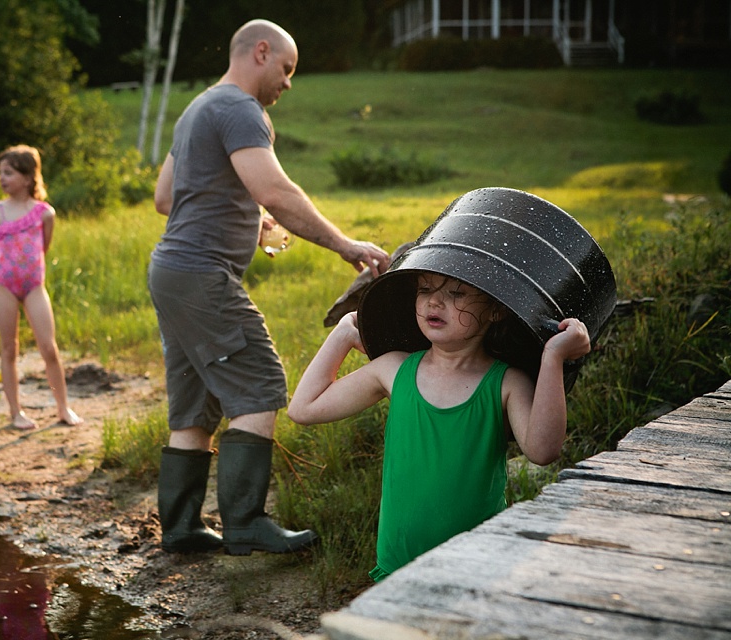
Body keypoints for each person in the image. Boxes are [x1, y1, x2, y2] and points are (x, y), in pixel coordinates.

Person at [148, 19, 391, 556]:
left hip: (169, 271)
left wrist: (242, 211)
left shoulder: (197, 108)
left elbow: (166, 196)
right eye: (286, 69)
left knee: (194, 407)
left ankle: (183, 528)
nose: (288, 83)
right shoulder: (239, 109)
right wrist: (346, 245)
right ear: (261, 52)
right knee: (259, 382)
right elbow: (276, 190)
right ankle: (244, 523)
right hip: (200, 272)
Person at [287, 271, 591, 581]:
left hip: (475, 562)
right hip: (398, 561)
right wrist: (343, 334)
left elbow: (542, 450)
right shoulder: (394, 369)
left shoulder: (506, 383)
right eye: (425, 289)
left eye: (457, 294)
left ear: (495, 310)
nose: (435, 301)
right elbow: (304, 408)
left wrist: (553, 356)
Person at [0, 145, 83, 430]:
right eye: (1, 173)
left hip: (34, 286)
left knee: (49, 348)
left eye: (9, 173)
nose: (2, 178)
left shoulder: (45, 214)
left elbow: (44, 249)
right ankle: (16, 413)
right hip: (4, 285)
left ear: (28, 178)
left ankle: (63, 408)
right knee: (8, 349)